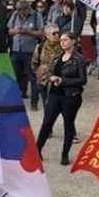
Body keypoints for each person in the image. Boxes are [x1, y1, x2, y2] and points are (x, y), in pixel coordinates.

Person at [34, 31, 87, 165]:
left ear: (73, 41)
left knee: (68, 125)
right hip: (55, 94)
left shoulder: (78, 59)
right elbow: (50, 71)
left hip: (70, 96)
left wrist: (63, 80)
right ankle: (37, 149)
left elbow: (82, 79)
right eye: (61, 40)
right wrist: (51, 77)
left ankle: (65, 154)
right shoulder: (58, 56)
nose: (62, 42)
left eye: (65, 40)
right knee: (47, 123)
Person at [8, 0, 44, 109]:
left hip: (30, 51)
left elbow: (41, 34)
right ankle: (15, 102)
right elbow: (9, 30)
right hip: (16, 50)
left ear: (28, 8)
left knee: (32, 77)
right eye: (18, 10)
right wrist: (16, 31)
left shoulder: (36, 16)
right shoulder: (15, 15)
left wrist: (27, 32)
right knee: (14, 76)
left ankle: (34, 102)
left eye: (23, 10)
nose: (21, 12)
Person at [33, 23, 63, 108]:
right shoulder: (40, 47)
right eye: (54, 33)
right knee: (46, 104)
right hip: (44, 80)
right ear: (47, 35)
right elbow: (35, 63)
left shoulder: (62, 46)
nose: (57, 35)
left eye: (58, 33)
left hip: (58, 81)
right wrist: (40, 74)